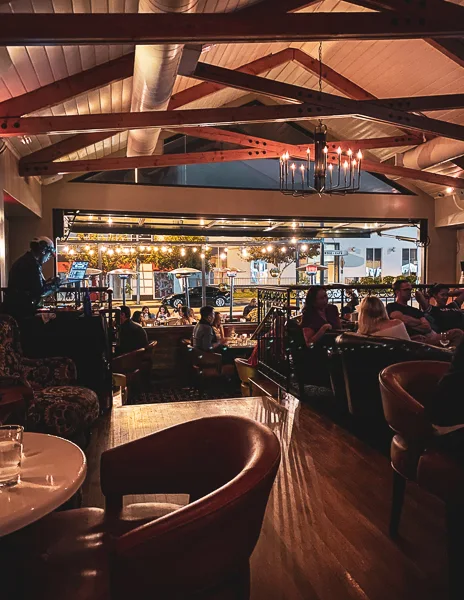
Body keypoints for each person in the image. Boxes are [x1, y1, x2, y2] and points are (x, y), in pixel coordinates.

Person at [387, 279, 462, 346]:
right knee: (457, 333)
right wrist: (419, 322)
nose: (409, 292)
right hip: (412, 340)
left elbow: (427, 327)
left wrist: (451, 293)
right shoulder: (392, 306)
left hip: (425, 337)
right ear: (397, 292)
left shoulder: (415, 310)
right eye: (406, 290)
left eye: (410, 290)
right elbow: (403, 320)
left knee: (457, 333)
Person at [2, 236, 61, 320]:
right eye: (49, 254)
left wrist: (49, 283)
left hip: (15, 308)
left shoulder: (25, 261)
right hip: (22, 311)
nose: (48, 258)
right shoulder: (32, 265)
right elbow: (39, 291)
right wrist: (54, 286)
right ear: (43, 251)